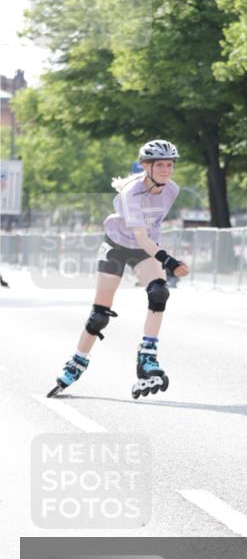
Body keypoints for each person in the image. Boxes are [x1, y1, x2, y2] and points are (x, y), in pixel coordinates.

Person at [47, 140, 190, 399]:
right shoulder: (131, 193)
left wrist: (162, 261)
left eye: (170, 164)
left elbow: (149, 235)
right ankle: (77, 361)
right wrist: (168, 261)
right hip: (117, 245)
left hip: (145, 248)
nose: (167, 170)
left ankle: (147, 356)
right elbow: (140, 236)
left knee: (159, 292)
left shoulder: (172, 190)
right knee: (99, 315)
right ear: (146, 166)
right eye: (160, 165)